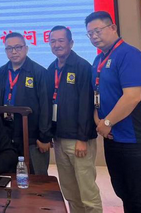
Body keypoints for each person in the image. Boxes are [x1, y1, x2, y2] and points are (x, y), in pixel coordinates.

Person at [86, 11, 141, 213]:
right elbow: (98, 95)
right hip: (113, 138)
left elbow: (132, 97)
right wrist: (98, 120)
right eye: (90, 34)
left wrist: (107, 122)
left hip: (137, 140)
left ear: (113, 27)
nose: (94, 36)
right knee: (124, 193)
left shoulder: (129, 55)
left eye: (98, 31)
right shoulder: (98, 60)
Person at [46, 26, 102, 212]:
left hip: (79, 140)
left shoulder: (82, 67)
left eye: (61, 40)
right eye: (53, 41)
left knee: (87, 192)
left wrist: (82, 138)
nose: (57, 45)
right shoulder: (51, 68)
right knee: (70, 190)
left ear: (71, 43)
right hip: (60, 138)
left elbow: (86, 105)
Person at [0, 32, 52, 175]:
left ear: (26, 49)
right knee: (10, 177)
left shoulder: (39, 72)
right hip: (7, 135)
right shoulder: (1, 72)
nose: (14, 52)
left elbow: (46, 107)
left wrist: (44, 137)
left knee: (37, 178)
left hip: (32, 137)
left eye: (18, 47)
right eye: (9, 48)